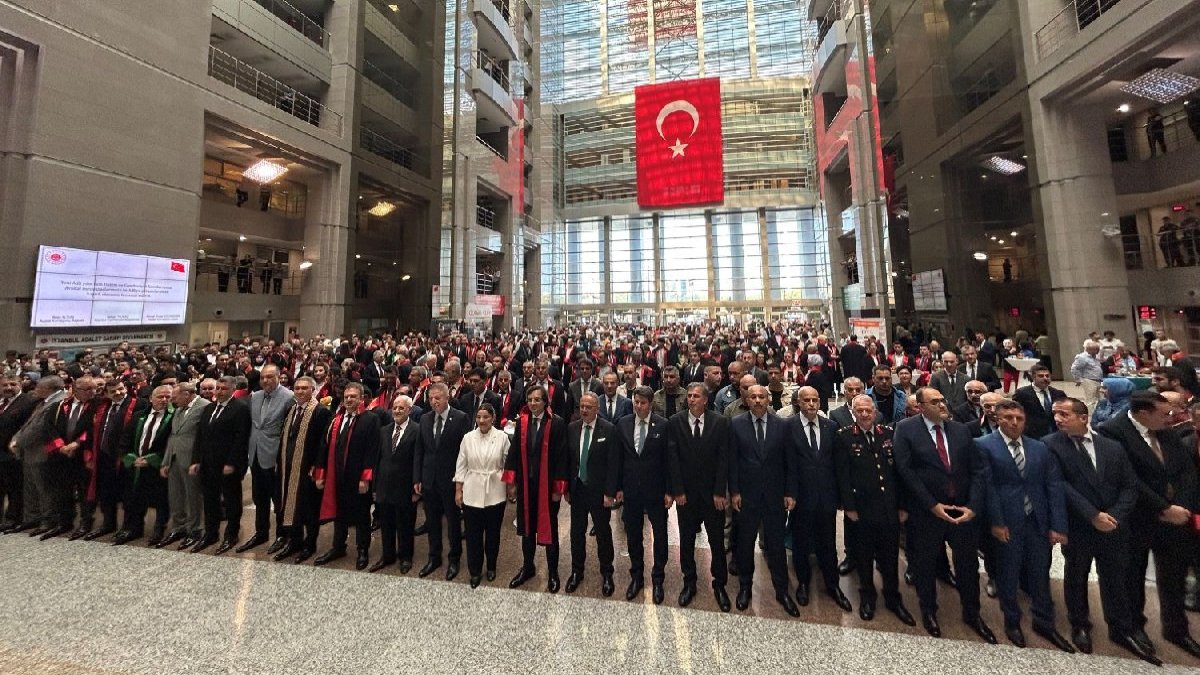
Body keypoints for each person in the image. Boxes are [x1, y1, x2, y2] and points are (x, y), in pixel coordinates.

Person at [1045, 398, 1158, 664]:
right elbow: (1060, 485)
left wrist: (1115, 516)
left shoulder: (1112, 447)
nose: (1058, 419)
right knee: (1076, 576)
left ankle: (1120, 628)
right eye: (1055, 414)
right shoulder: (1050, 445)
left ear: (1083, 418)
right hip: (1079, 526)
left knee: (1115, 578)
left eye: (1064, 414)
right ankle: (1080, 624)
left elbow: (1130, 485)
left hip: (1114, 527)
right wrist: (1093, 515)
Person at [1097, 391, 1200, 659]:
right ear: (1143, 413)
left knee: (1173, 577)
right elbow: (1128, 479)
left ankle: (1176, 629)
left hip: (1174, 519)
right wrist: (1163, 508)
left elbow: (1186, 470)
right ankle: (1132, 627)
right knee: (1132, 576)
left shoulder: (1164, 428)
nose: (1172, 418)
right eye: (1164, 413)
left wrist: (1182, 507)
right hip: (1137, 519)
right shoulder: (1112, 431)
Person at [892, 387, 996, 644]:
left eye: (942, 400)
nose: (942, 405)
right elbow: (905, 471)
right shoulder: (906, 429)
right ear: (921, 406)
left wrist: (973, 506)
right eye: (935, 402)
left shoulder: (960, 430)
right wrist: (931, 504)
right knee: (925, 564)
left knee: (968, 566)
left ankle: (972, 613)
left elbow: (977, 470)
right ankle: (929, 611)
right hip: (927, 511)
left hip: (961, 510)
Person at [977, 400, 1073, 651]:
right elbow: (988, 487)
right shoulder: (983, 445)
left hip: (1036, 521)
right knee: (1008, 574)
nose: (1014, 422)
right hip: (1007, 521)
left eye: (1019, 418)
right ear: (998, 419)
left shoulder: (1039, 447)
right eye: (1008, 417)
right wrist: (996, 522)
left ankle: (1044, 622)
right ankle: (1012, 621)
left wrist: (1058, 525)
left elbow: (1053, 486)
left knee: (1040, 573)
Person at [833, 395, 915, 625]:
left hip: (888, 507)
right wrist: (849, 507)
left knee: (890, 556)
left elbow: (899, 474)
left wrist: (902, 505)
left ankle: (893, 597)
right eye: (859, 411)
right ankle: (867, 596)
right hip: (862, 509)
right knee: (864, 555)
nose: (864, 414)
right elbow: (842, 476)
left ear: (875, 412)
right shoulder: (844, 436)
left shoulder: (888, 433)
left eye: (868, 410)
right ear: (853, 413)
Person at [729, 385, 799, 617]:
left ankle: (782, 590)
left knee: (776, 545)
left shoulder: (783, 425)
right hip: (747, 496)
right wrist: (734, 492)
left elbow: (790, 462)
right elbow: (732, 462)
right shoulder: (736, 424)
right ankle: (745, 587)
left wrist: (790, 492)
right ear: (747, 400)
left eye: (762, 396)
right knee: (745, 543)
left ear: (768, 399)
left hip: (774, 496)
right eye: (753, 397)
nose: (758, 400)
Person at [666, 383, 731, 611]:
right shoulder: (675, 422)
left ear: (705, 400)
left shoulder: (720, 422)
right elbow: (672, 459)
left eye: (696, 396)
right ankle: (689, 581)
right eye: (690, 396)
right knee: (686, 540)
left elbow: (724, 459)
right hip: (687, 495)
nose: (691, 399)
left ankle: (719, 583)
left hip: (713, 496)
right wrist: (678, 491)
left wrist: (720, 492)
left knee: (716, 541)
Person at [790, 386, 852, 611]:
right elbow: (787, 464)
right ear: (799, 402)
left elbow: (839, 465)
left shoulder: (830, 427)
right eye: (806, 400)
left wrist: (841, 497)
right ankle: (803, 583)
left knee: (827, 543)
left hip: (826, 496)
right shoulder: (788, 426)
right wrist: (789, 493)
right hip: (800, 497)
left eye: (815, 400)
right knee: (801, 543)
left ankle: (832, 585)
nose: (811, 404)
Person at [505, 384, 568, 592]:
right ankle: (528, 567)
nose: (533, 403)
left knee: (550, 528)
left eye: (537, 399)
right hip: (526, 483)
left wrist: (558, 488)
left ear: (545, 401)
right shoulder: (522, 422)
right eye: (530, 400)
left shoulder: (556, 423)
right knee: (527, 528)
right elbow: (514, 452)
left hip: (547, 487)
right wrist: (512, 482)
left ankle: (553, 572)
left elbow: (562, 457)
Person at [313, 382, 381, 571]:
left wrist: (365, 478)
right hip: (337, 474)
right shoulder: (336, 419)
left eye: (353, 396)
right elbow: (324, 446)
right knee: (339, 512)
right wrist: (321, 474)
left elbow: (372, 450)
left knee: (361, 514)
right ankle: (338, 547)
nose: (349, 399)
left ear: (361, 398)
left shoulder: (371, 419)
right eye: (346, 397)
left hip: (357, 476)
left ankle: (362, 549)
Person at [272, 375, 333, 563]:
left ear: (313, 390)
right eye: (297, 388)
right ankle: (294, 541)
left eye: (304, 388)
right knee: (290, 505)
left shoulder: (320, 412)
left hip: (308, 468)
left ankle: (310, 544)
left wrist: (317, 467)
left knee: (309, 507)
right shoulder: (291, 409)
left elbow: (324, 443)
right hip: (289, 467)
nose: (299, 391)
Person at [414, 383, 470, 580]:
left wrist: (461, 482)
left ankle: (454, 558)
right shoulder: (425, 418)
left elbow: (465, 452)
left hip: (451, 479)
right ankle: (434, 557)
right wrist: (417, 477)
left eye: (438, 398)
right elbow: (419, 450)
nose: (434, 402)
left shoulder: (460, 418)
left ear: (447, 398)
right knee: (432, 521)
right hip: (429, 479)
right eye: (431, 398)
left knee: (453, 522)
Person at [564, 392, 616, 597]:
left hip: (599, 492)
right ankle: (577, 571)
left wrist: (610, 493)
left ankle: (607, 572)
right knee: (576, 532)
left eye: (589, 407)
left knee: (603, 532)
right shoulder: (572, 428)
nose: (584, 410)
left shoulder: (608, 429)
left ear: (597, 409)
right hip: (578, 489)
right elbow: (569, 461)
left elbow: (613, 464)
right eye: (581, 407)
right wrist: (567, 488)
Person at [190, 376, 250, 554]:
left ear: (233, 390)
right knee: (210, 500)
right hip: (208, 463)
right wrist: (196, 460)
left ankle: (231, 535)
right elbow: (200, 436)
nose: (219, 391)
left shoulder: (240, 409)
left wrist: (232, 462)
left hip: (227, 464)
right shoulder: (209, 408)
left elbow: (241, 438)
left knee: (231, 501)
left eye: (224, 388)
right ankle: (211, 533)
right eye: (218, 388)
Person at [239, 364, 294, 554]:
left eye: (270, 377)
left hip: (275, 454)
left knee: (278, 499)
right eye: (262, 377)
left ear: (279, 377)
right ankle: (261, 532)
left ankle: (282, 535)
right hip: (255, 453)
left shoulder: (289, 397)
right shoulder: (255, 396)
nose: (265, 381)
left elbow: (289, 430)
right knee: (259, 497)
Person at [454, 403, 509, 587]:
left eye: (486, 417)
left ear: (493, 418)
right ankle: (475, 570)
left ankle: (491, 566)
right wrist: (458, 490)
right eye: (479, 417)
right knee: (473, 535)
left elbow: (507, 463)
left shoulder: (502, 437)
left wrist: (511, 486)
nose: (482, 420)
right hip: (472, 490)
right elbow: (461, 465)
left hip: (496, 490)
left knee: (493, 533)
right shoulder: (468, 438)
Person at [113, 385, 173, 546]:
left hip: (157, 466)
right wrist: (129, 457)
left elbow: (170, 444)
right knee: (133, 497)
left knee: (160, 499)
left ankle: (159, 530)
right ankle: (133, 528)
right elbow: (126, 438)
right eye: (160, 397)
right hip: (136, 464)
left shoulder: (173, 418)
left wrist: (152, 459)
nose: (164, 400)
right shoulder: (139, 416)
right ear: (151, 398)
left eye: (168, 397)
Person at [9, 376, 67, 536]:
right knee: (31, 488)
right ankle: (32, 518)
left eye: (39, 387)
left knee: (44, 490)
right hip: (30, 451)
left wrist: (19, 442)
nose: (35, 390)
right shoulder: (43, 402)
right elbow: (29, 424)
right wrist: (16, 439)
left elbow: (39, 429)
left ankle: (47, 520)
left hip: (42, 451)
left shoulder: (57, 402)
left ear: (49, 389)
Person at [370, 394, 419, 573]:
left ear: (409, 410)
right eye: (395, 408)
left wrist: (416, 488)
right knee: (386, 524)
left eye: (401, 408)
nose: (397, 411)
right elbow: (377, 460)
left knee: (405, 525)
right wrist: (375, 486)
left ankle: (405, 557)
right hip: (384, 486)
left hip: (405, 487)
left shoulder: (417, 430)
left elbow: (417, 461)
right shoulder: (384, 430)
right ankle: (387, 555)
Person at [158, 382, 210, 549]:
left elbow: (205, 437)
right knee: (175, 495)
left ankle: (195, 529)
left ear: (187, 394)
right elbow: (173, 436)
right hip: (174, 458)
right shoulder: (179, 409)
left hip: (191, 459)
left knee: (193, 496)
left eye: (175, 397)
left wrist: (199, 460)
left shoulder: (204, 406)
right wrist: (166, 461)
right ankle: (178, 527)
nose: (172, 401)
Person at [0, 373, 39, 532]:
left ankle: (13, 518)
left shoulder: (29, 402)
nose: (8, 388)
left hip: (14, 452)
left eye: (12, 384)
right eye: (5, 385)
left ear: (20, 385)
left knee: (14, 488)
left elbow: (29, 427)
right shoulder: (1, 402)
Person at [1013, 364, 1066, 439]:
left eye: (1047, 376)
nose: (1045, 378)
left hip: (1055, 434)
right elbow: (1016, 413)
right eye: (1041, 376)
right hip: (1032, 435)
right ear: (1033, 377)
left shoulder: (1058, 394)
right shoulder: (1021, 393)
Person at [1070, 340, 1105, 407]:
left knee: (1098, 400)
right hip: (1089, 381)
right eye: (1096, 349)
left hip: (1098, 381)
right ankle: (1090, 412)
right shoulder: (1082, 357)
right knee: (1091, 401)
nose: (1098, 351)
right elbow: (1074, 368)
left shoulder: (1095, 357)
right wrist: (1078, 379)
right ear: (1090, 349)